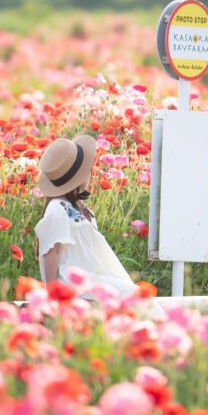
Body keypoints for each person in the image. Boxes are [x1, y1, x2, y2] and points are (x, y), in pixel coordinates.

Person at [35, 135, 163, 316]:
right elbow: (50, 252)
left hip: (92, 276)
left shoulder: (78, 207)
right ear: (79, 178)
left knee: (134, 296)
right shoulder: (57, 209)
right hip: (74, 281)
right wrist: (52, 295)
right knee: (135, 297)